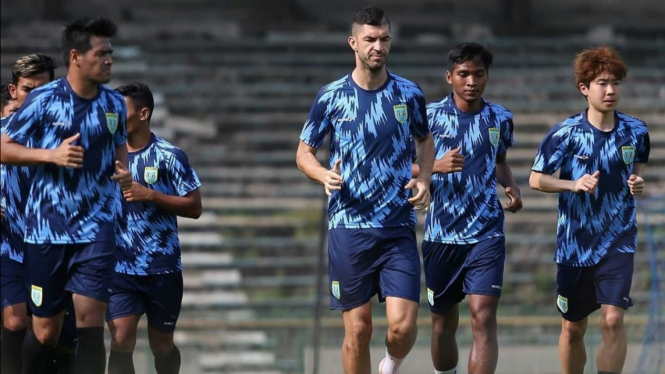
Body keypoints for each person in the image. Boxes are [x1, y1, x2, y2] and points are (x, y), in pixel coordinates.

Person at [296, 7, 434, 374]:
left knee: (403, 328)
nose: (378, 46)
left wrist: (424, 179)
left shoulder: (409, 93)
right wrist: (323, 175)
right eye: (370, 39)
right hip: (349, 227)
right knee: (358, 330)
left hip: (397, 227)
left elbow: (425, 140)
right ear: (353, 43)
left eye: (384, 39)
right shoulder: (331, 96)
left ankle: (390, 363)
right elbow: (303, 153)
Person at [0, 18, 132, 374]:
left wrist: (123, 170)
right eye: (101, 54)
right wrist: (50, 155)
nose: (109, 61)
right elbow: (4, 147)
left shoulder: (115, 103)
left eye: (111, 54)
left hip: (96, 227)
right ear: (76, 57)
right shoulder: (44, 100)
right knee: (45, 332)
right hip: (47, 231)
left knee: (91, 322)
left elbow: (119, 145)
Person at [529, 46, 650, 374]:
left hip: (618, 240)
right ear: (584, 88)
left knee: (613, 321)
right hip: (575, 245)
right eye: (602, 83)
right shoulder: (565, 134)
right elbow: (536, 179)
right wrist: (572, 184)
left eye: (616, 83)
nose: (611, 90)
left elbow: (636, 171)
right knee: (573, 328)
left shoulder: (636, 131)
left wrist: (638, 183)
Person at [415, 42, 522, 374]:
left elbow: (499, 160)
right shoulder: (428, 117)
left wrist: (511, 184)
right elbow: (400, 167)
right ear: (450, 77)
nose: (472, 81)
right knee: (443, 324)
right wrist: (435, 167)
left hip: (486, 232)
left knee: (484, 316)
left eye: (479, 74)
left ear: (487, 76)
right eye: (464, 74)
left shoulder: (500, 118)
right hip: (441, 235)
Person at [106, 82, 202, 374]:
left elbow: (195, 207)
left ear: (143, 113)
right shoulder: (106, 155)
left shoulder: (169, 155)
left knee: (161, 345)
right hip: (120, 266)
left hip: (162, 267)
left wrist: (151, 194)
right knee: (121, 338)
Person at [1, 54, 58, 374]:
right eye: (27, 89)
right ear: (13, 90)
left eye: (43, 89)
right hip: (7, 244)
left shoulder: (68, 134)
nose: (34, 97)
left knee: (50, 332)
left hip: (52, 245)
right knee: (14, 319)